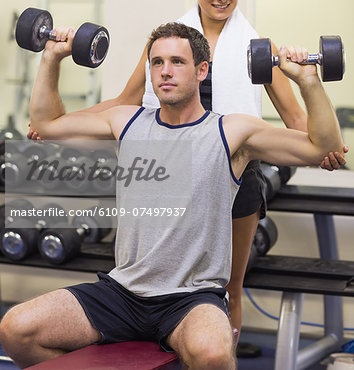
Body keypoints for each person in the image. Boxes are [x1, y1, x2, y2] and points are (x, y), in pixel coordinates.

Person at [27, 0, 348, 337]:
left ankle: (217, 352)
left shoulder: (259, 48)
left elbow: (295, 120)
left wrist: (324, 148)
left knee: (229, 292)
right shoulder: (167, 44)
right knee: (156, 276)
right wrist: (61, 123)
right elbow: (126, 104)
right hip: (168, 162)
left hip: (233, 165)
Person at [1, 22, 345, 369]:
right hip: (122, 292)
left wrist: (308, 81)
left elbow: (322, 149)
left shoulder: (232, 132)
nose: (165, 71)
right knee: (16, 329)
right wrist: (52, 57)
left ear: (201, 70)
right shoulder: (126, 123)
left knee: (212, 354)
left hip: (191, 299)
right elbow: (45, 124)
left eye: (177, 62)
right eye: (157, 62)